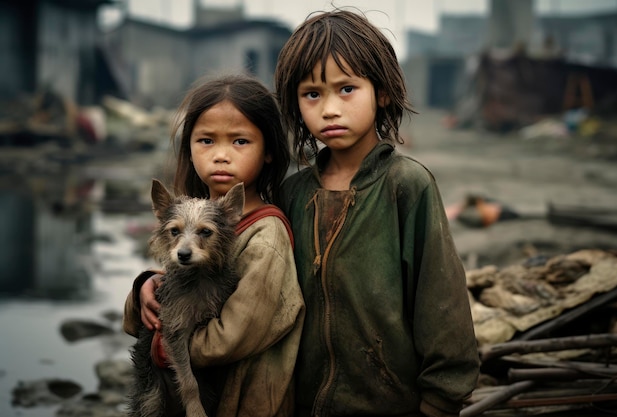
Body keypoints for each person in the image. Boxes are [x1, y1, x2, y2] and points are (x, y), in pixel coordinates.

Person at [274, 9, 480, 417]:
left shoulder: (406, 186)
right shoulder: (292, 194)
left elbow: (442, 306)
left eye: (346, 89)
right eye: (312, 94)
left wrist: (441, 400)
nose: (330, 109)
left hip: (390, 403)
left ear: (381, 92)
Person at [122, 74, 305, 417]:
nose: (221, 155)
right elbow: (153, 309)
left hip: (242, 400)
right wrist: (144, 287)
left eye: (239, 141)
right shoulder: (193, 220)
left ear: (268, 151)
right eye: (206, 140)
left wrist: (165, 345)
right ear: (189, 149)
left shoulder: (266, 236)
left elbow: (235, 334)